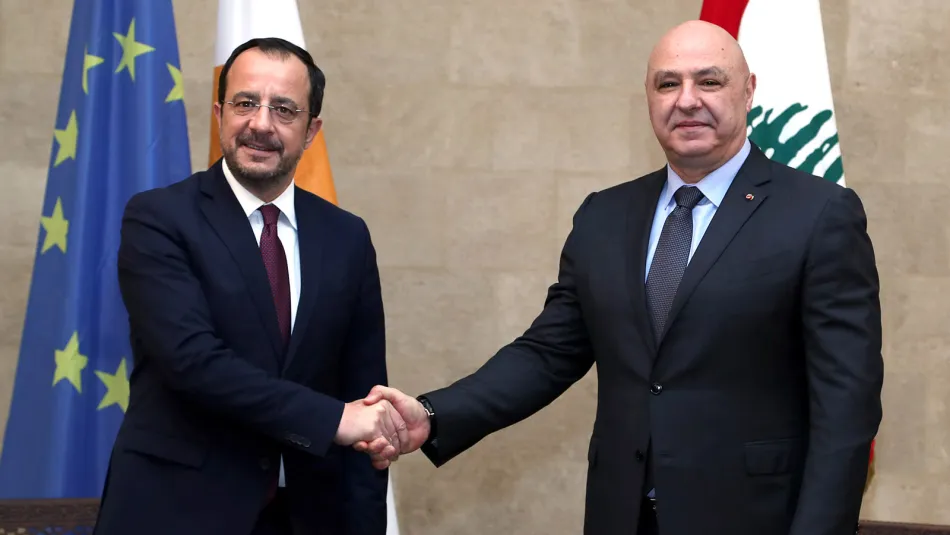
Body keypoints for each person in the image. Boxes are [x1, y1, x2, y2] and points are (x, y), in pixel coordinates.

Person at [355, 20, 883, 535]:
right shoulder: (604, 216)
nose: (687, 100)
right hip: (622, 514)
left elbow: (846, 406)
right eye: (668, 84)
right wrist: (432, 414)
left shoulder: (818, 214)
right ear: (648, 98)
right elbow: (548, 353)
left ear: (748, 92)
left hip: (754, 517)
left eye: (709, 81)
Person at [93, 38, 407, 535]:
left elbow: (364, 397)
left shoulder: (347, 237)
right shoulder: (159, 218)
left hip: (309, 516)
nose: (261, 124)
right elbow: (192, 361)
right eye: (245, 103)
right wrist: (333, 420)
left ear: (311, 131)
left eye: (284, 109)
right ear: (220, 114)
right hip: (176, 512)